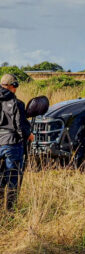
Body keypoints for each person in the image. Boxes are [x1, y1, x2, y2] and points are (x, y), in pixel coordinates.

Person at [0, 73, 34, 211]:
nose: (16, 90)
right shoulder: (17, 103)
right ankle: (10, 211)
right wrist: (28, 136)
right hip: (12, 144)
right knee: (13, 178)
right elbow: (20, 125)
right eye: (15, 86)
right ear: (11, 86)